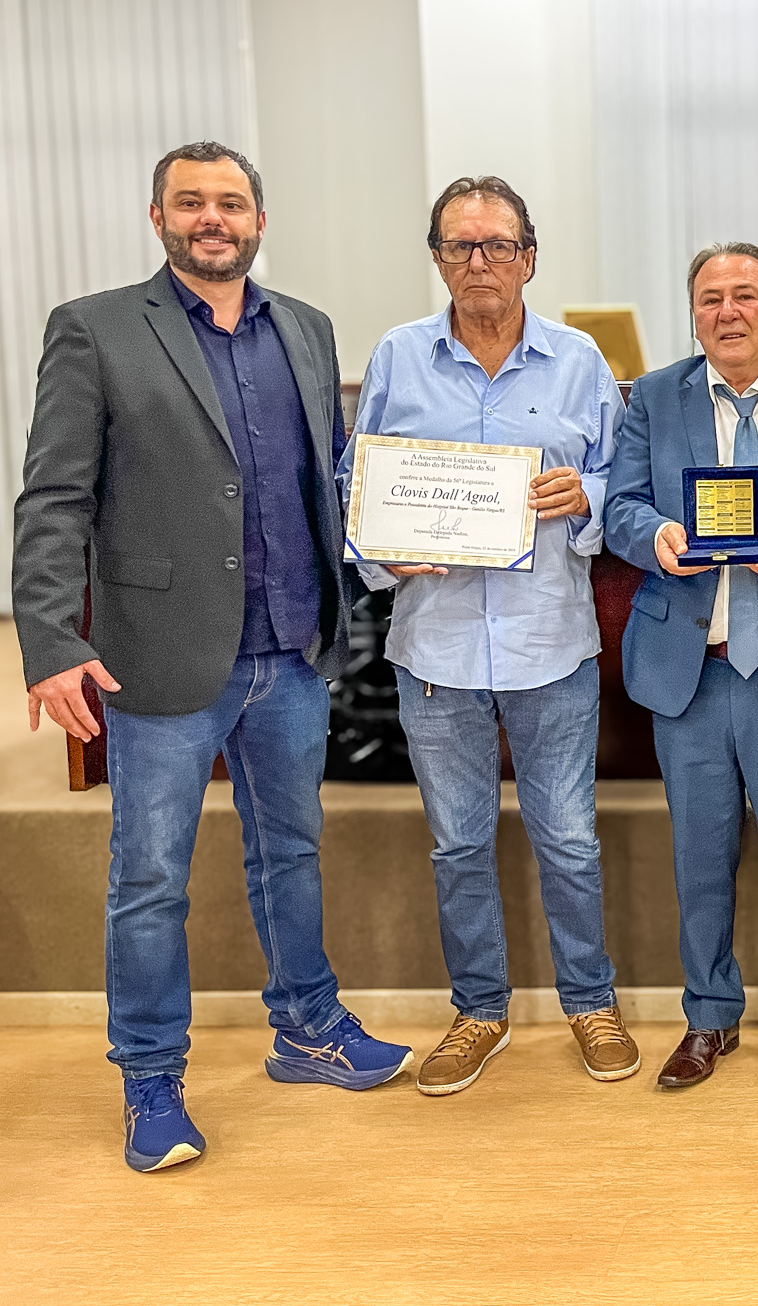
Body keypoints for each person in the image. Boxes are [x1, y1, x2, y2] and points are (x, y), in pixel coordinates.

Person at [13, 142, 411, 1172]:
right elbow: (53, 497)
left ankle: (307, 1029)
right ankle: (151, 1084)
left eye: (230, 202)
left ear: (258, 220)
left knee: (291, 853)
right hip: (160, 657)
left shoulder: (308, 330)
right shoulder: (95, 330)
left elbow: (325, 478)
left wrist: (388, 545)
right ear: (159, 218)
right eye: (191, 202)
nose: (212, 218)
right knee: (149, 879)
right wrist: (50, 640)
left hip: (291, 648)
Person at [343, 176, 636, 1095]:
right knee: (458, 845)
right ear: (437, 257)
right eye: (460, 246)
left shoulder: (582, 361)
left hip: (551, 643)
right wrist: (389, 552)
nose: (480, 263)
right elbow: (356, 490)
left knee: (570, 841)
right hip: (435, 651)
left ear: (529, 257)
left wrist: (584, 495)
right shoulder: (398, 356)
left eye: (497, 246)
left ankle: (591, 1002)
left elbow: (621, 487)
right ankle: (479, 1011)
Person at [605, 241, 758, 1089]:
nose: (728, 312)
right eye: (710, 298)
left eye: (745, 296)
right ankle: (708, 1018)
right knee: (699, 856)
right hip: (692, 663)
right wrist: (656, 537)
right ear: (694, 315)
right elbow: (621, 509)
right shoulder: (652, 398)